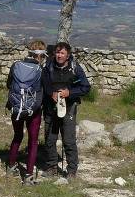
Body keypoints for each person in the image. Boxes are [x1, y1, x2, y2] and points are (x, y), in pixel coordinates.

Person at [41, 41, 91, 181]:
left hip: (69, 108)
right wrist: (52, 93)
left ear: (68, 55)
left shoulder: (75, 68)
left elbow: (86, 87)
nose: (59, 55)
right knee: (50, 139)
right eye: (57, 52)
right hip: (51, 107)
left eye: (62, 53)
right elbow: (44, 83)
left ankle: (72, 170)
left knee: (68, 140)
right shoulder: (48, 66)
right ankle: (52, 167)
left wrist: (70, 92)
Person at [5, 40, 47, 184]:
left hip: (16, 107)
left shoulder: (16, 66)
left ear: (29, 52)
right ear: (41, 55)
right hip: (33, 110)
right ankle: (28, 175)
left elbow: (8, 84)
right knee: (33, 141)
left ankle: (10, 166)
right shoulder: (41, 70)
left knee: (17, 136)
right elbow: (43, 90)